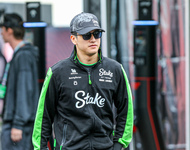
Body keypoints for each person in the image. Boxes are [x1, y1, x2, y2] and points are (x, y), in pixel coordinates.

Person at [32, 12, 134, 150]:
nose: (93, 39)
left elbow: (126, 112)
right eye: (87, 35)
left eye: (97, 34)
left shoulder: (115, 69)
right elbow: (43, 117)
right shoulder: (57, 73)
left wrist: (118, 145)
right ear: (73, 39)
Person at [0, 13, 39, 150]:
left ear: (9, 30)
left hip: (18, 128)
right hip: (16, 124)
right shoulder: (20, 54)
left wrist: (18, 124)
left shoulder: (23, 56)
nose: (1, 32)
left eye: (2, 28)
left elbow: (24, 90)